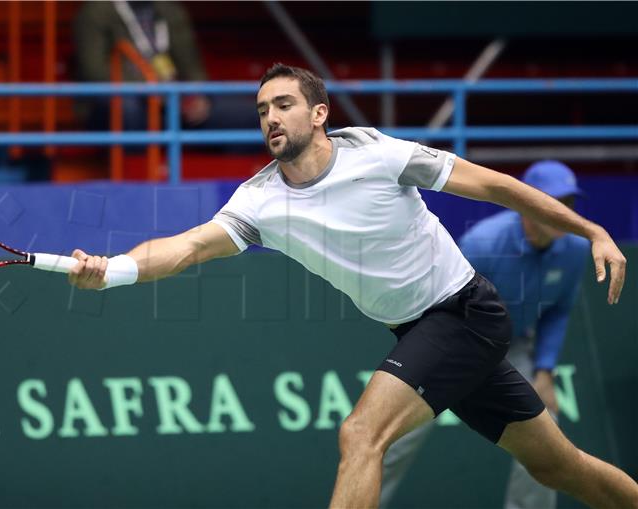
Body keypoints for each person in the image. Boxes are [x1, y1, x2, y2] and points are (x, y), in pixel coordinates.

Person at [67, 63, 637, 508]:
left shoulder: (380, 155)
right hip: (419, 330)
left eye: (284, 104)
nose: (271, 117)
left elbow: (493, 186)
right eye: (263, 108)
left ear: (318, 114)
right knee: (558, 467)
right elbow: (186, 247)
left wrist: (589, 230)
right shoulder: (258, 200)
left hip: (463, 313)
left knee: (360, 434)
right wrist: (113, 270)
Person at [378, 160, 591, 509]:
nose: (562, 212)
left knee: (549, 427)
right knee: (395, 432)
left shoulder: (576, 250)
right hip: (453, 346)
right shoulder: (483, 243)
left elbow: (557, 310)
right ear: (527, 203)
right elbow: (441, 303)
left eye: (568, 204)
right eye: (555, 202)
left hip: (513, 348)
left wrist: (545, 370)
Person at [73, 1, 256, 131]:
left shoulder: (170, 9)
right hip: (130, 101)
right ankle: (134, 177)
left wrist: (199, 95)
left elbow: (192, 67)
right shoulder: (95, 12)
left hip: (172, 101)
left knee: (246, 112)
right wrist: (148, 88)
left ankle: (243, 180)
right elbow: (95, 73)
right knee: (126, 109)